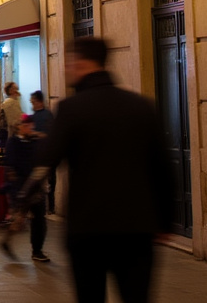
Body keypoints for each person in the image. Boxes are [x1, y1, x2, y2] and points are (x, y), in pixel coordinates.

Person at [22, 37, 173, 303]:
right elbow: (162, 165)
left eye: (67, 63)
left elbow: (46, 161)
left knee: (90, 296)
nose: (65, 69)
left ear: (79, 63)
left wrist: (25, 195)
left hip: (88, 227)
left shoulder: (71, 109)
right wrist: (165, 221)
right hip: (136, 227)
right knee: (136, 296)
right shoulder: (140, 106)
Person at [1, 115, 48, 262]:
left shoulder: (35, 141)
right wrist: (15, 189)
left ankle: (37, 250)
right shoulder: (13, 142)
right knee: (19, 219)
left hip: (35, 186)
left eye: (30, 125)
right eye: (26, 125)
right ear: (19, 127)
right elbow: (10, 166)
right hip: (20, 186)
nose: (29, 128)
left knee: (39, 219)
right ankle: (6, 241)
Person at [28, 90, 55, 212]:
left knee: (49, 181)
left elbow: (50, 134)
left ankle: (51, 206)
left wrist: (36, 134)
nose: (32, 104)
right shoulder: (32, 117)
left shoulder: (47, 115)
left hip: (46, 153)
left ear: (39, 102)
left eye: (33, 102)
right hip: (35, 153)